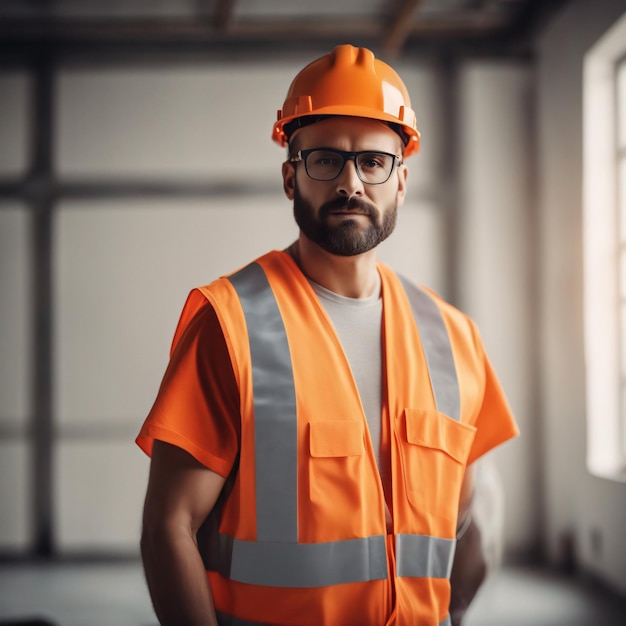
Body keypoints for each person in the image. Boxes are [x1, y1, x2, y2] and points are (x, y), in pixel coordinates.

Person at [137, 44, 519, 626]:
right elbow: (170, 528)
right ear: (291, 177)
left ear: (402, 181)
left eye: (373, 162)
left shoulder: (454, 335)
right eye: (324, 161)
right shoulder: (230, 323)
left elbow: (476, 523)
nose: (351, 183)